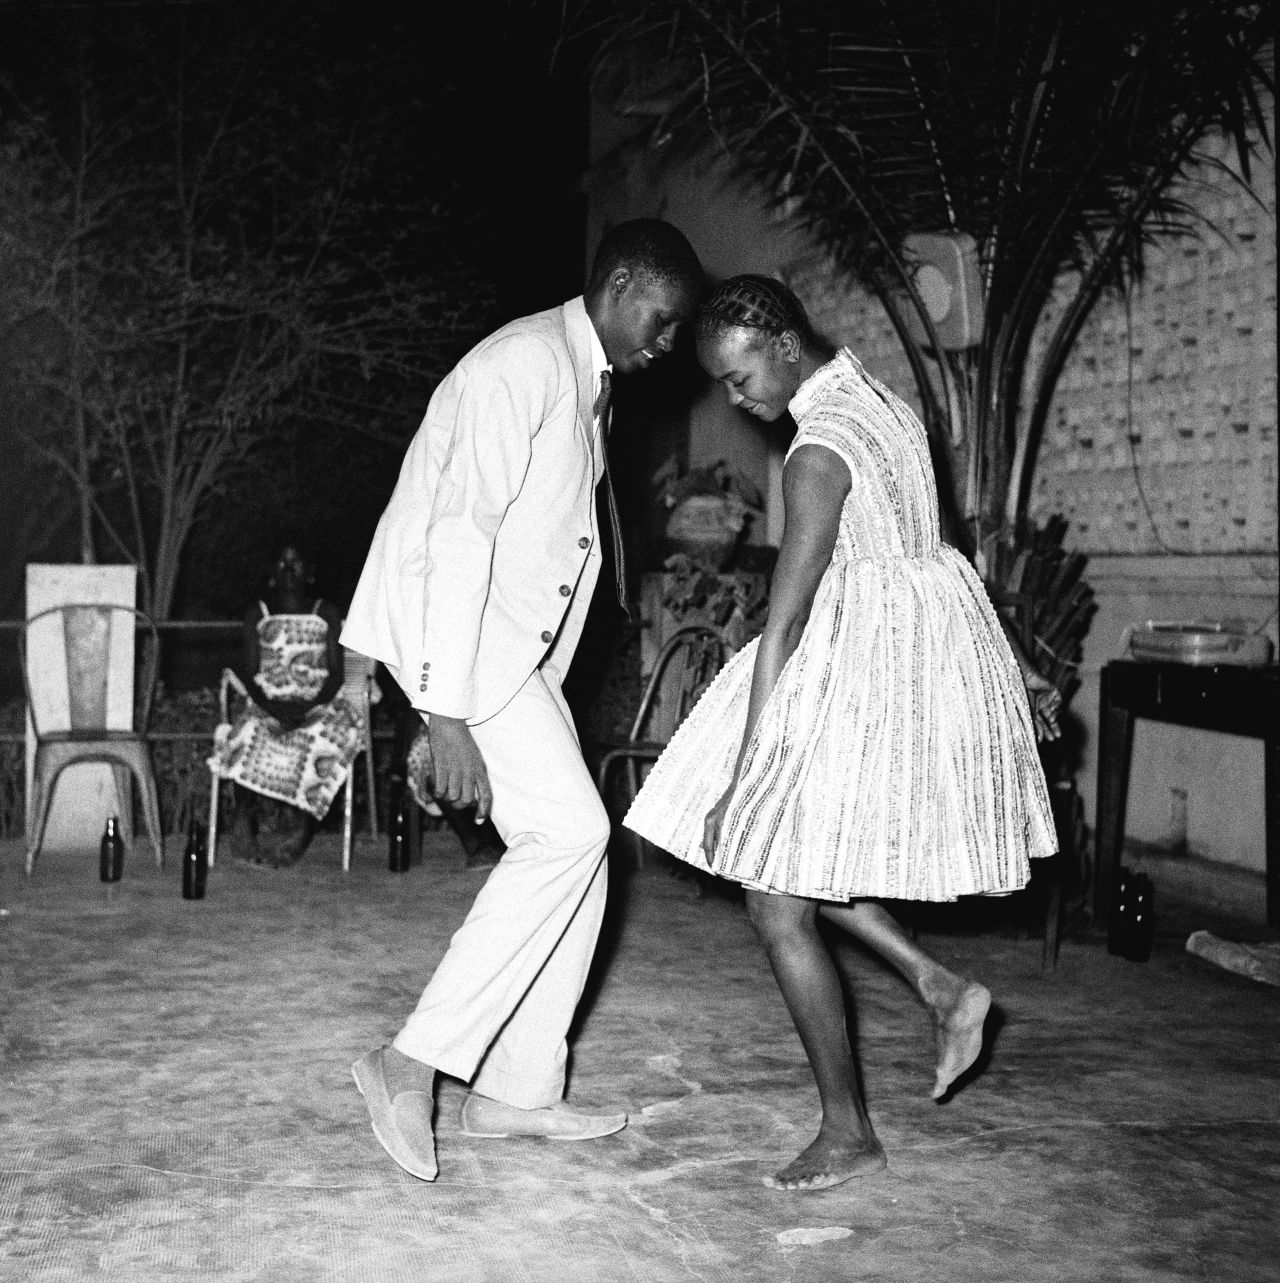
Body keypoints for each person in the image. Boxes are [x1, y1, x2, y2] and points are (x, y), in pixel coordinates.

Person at [625, 275, 1060, 1192]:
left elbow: (782, 624)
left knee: (772, 895)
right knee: (801, 866)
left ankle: (848, 1128)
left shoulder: (817, 451)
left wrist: (743, 780)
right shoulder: (884, 400)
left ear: (785, 344)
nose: (739, 401)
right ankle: (940, 986)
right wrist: (1010, 665)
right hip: (917, 655)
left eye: (742, 379)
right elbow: (943, 550)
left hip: (855, 672)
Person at [341, 219, 703, 1181]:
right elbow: (454, 533)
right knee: (575, 836)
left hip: (516, 659)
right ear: (621, 284)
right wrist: (441, 709)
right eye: (662, 322)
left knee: (583, 854)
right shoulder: (524, 363)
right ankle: (406, 1061)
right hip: (472, 654)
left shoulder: (580, 377)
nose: (667, 346)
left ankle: (517, 1093)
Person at [210, 543, 362, 868]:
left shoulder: (325, 612)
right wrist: (273, 707)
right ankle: (243, 819)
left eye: (296, 564)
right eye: (281, 564)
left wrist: (310, 707)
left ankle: (302, 832)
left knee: (325, 737)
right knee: (250, 729)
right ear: (271, 576)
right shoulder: (258, 613)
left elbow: (336, 674)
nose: (288, 571)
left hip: (320, 702)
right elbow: (251, 674)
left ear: (310, 574)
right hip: (269, 700)